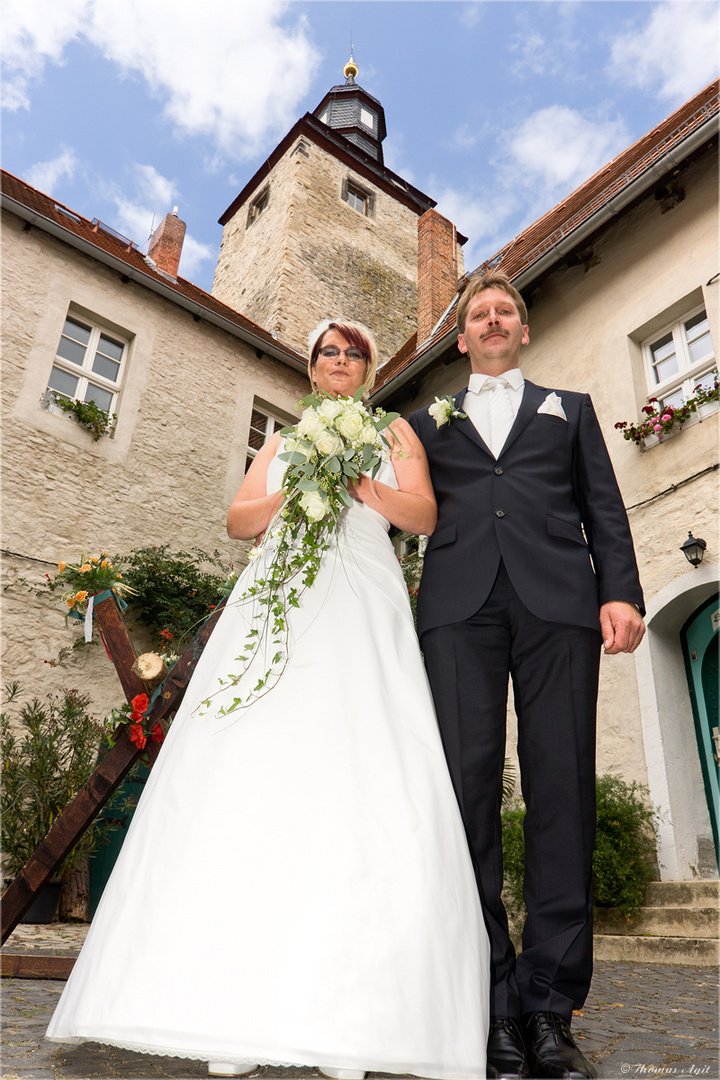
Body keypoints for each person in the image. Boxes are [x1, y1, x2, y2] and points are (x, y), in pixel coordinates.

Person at [47, 320, 491, 1080]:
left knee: (357, 768)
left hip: (361, 597)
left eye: (354, 353)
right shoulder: (280, 439)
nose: (341, 362)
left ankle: (354, 1018)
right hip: (279, 594)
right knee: (254, 768)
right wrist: (298, 484)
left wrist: (360, 482)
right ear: (313, 369)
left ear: (368, 368)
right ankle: (229, 1013)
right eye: (329, 353)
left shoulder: (397, 434)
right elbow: (237, 520)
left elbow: (421, 515)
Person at [409, 275, 645, 1080]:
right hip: (456, 609)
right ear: (463, 339)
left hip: (559, 605)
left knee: (561, 791)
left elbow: (603, 508)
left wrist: (620, 590)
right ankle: (493, 1000)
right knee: (463, 794)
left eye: (505, 310)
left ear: (524, 330)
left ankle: (550, 1009)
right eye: (479, 314)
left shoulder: (569, 410)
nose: (493, 320)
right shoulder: (422, 424)